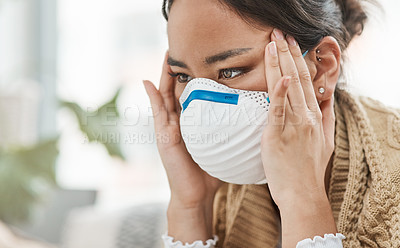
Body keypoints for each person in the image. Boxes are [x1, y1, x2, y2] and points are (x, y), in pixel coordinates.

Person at [143, 0, 400, 247]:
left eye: (231, 71)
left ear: (321, 67)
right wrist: (191, 207)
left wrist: (303, 199)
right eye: (183, 76)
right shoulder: (223, 189)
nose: (202, 107)